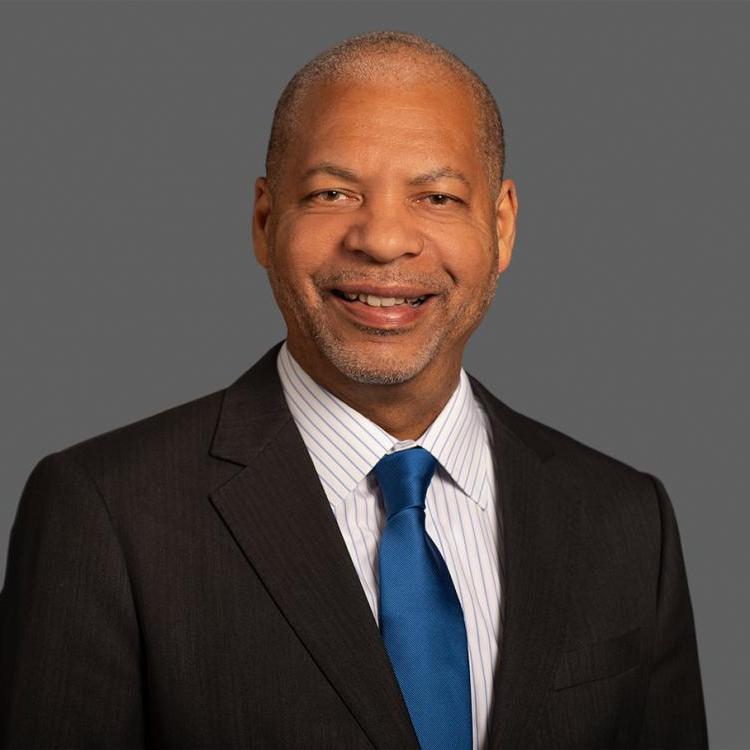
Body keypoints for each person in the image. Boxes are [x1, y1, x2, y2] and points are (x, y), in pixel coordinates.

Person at [0, 30, 707, 750]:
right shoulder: (107, 513)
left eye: (437, 196)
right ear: (265, 220)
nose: (383, 240)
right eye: (333, 193)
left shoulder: (626, 520)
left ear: (501, 226)